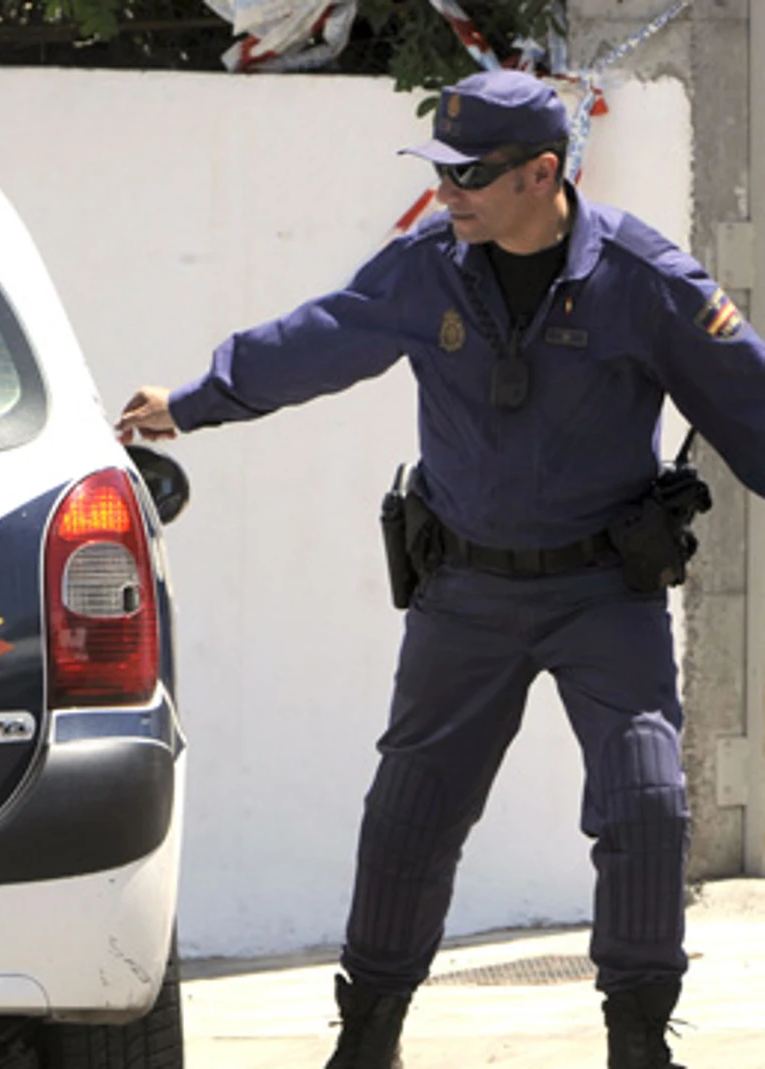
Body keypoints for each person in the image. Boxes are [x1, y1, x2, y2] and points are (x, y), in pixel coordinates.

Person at [117, 70, 765, 1069]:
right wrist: (198, 398)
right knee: (410, 814)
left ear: (541, 173)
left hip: (602, 591)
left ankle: (639, 1039)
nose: (450, 189)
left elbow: (749, 403)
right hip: (462, 591)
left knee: (645, 800)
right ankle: (367, 1036)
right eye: (442, 170)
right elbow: (323, 336)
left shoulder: (643, 279)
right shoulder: (430, 266)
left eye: (470, 172)